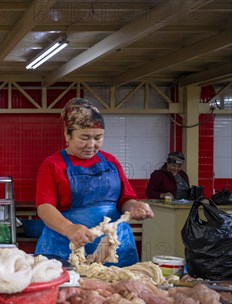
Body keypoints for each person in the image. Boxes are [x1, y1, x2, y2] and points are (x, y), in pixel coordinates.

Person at [34, 98, 154, 267]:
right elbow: (45, 208)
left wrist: (134, 207)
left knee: (120, 290)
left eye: (98, 137)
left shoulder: (111, 161)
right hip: (66, 246)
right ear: (67, 135)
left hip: (115, 248)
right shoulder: (52, 165)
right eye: (84, 137)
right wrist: (69, 229)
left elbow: (125, 199)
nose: (91, 145)